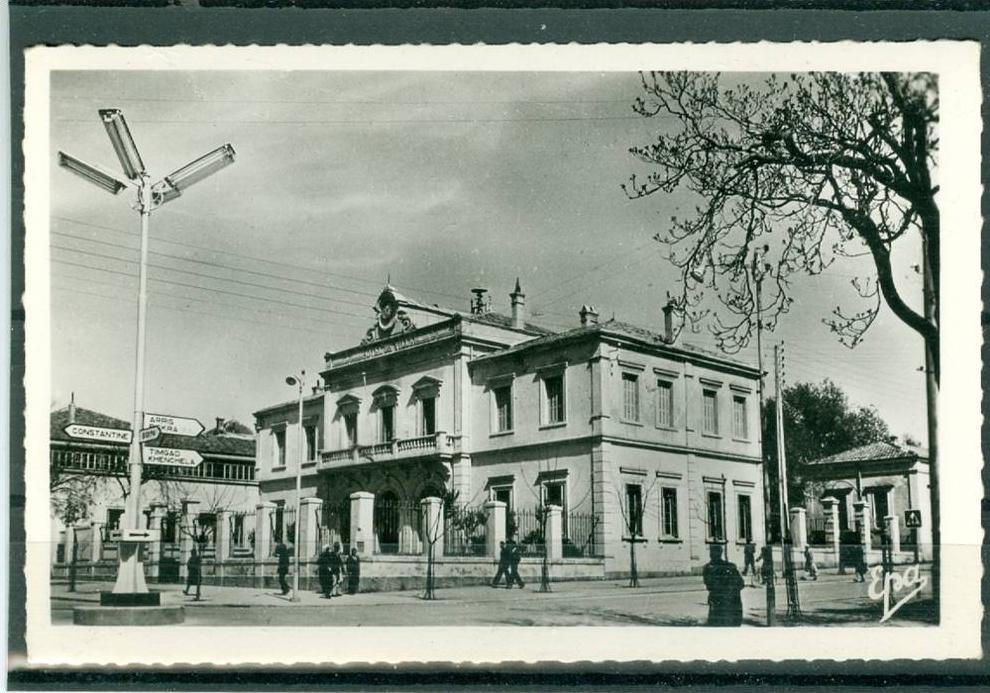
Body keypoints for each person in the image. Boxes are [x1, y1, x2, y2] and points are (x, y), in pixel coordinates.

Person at [703, 544, 744, 627]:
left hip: (718, 606)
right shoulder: (730, 567)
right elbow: (741, 584)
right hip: (731, 606)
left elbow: (709, 586)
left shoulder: (707, 568)